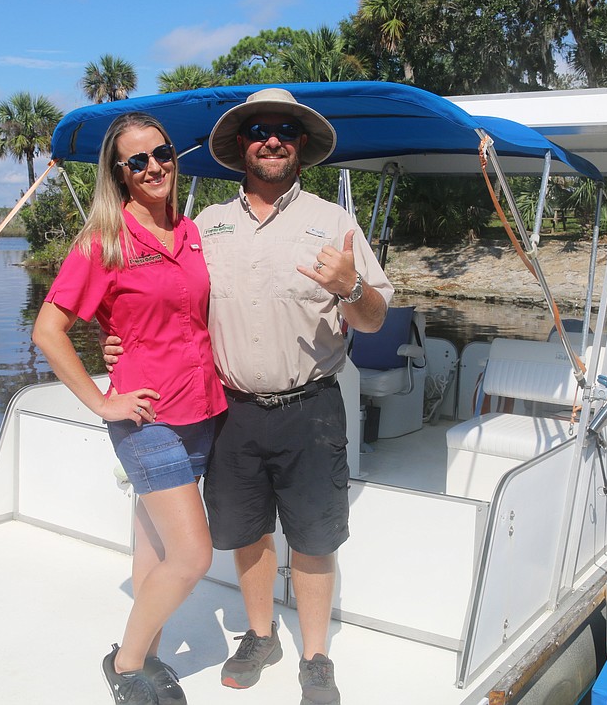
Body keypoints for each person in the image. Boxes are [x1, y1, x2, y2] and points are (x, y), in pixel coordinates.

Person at [106, 88, 393, 705]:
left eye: (285, 130)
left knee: (315, 538)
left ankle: (315, 657)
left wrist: (351, 287)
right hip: (228, 410)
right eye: (260, 129)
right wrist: (117, 345)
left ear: (299, 146)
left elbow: (372, 319)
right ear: (242, 145)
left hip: (311, 405)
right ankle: (260, 636)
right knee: (246, 532)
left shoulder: (336, 223)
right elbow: (169, 305)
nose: (272, 139)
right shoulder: (205, 225)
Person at [32, 111, 226, 705]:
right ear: (118, 174)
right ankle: (126, 663)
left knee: (156, 551)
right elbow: (48, 329)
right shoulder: (104, 241)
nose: (153, 168)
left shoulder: (192, 234)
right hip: (146, 418)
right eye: (136, 161)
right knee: (194, 554)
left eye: (161, 153)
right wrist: (101, 401)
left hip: (204, 409)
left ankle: (150, 660)